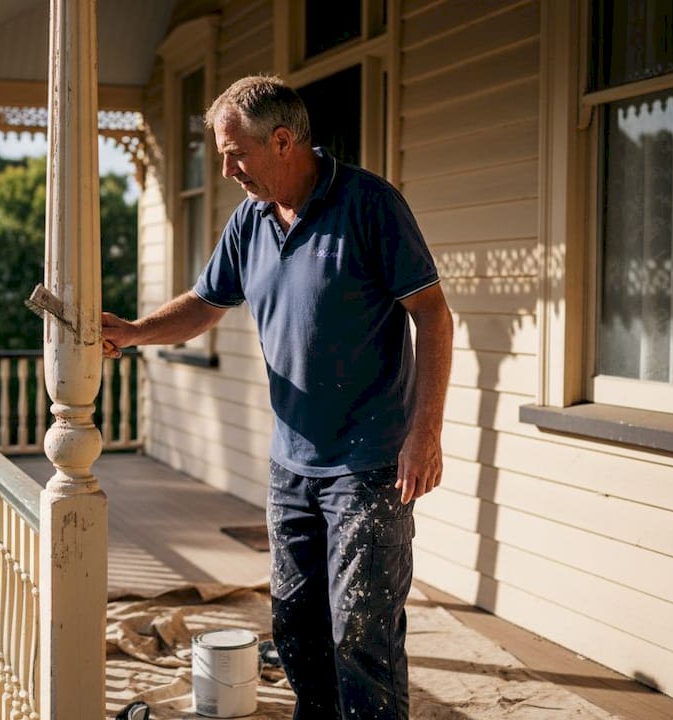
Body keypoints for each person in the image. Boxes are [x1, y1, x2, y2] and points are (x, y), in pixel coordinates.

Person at [101, 74, 453, 719]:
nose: (227, 169)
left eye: (235, 153)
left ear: (284, 140)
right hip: (291, 462)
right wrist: (133, 333)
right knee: (296, 628)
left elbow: (432, 314)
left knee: (361, 634)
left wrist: (424, 432)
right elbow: (207, 304)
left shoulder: (369, 205)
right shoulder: (252, 219)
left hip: (369, 462)